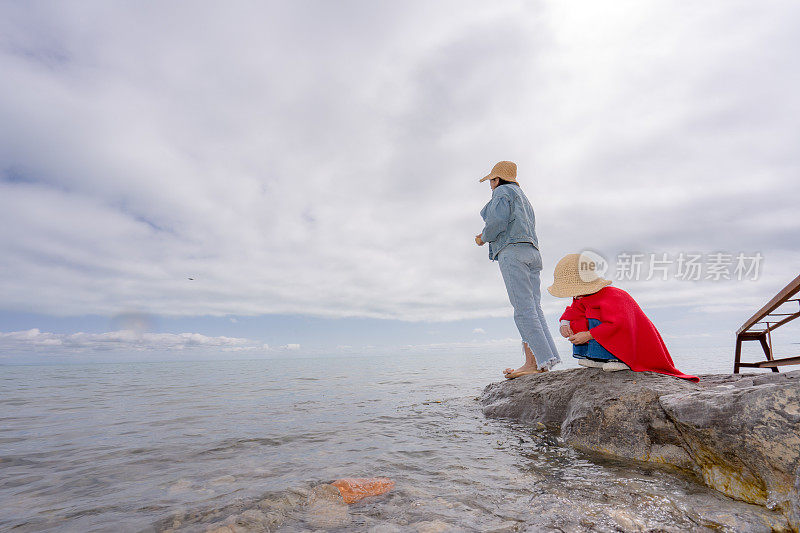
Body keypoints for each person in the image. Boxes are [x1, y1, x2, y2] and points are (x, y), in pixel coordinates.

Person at [547, 253, 699, 382]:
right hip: (602, 333)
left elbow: (619, 324)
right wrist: (564, 324)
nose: (573, 294)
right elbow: (573, 312)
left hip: (624, 338)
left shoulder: (614, 296)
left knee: (597, 321)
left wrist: (587, 335)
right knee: (578, 319)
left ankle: (618, 359)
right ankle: (595, 357)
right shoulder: (581, 297)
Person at [475, 161, 561, 379]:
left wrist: (482, 238)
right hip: (533, 252)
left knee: (523, 309)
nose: (490, 185)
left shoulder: (502, 191)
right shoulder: (523, 197)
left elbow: (497, 222)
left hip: (513, 252)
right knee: (534, 307)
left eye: (491, 181)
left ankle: (534, 363)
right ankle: (545, 360)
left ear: (497, 180)